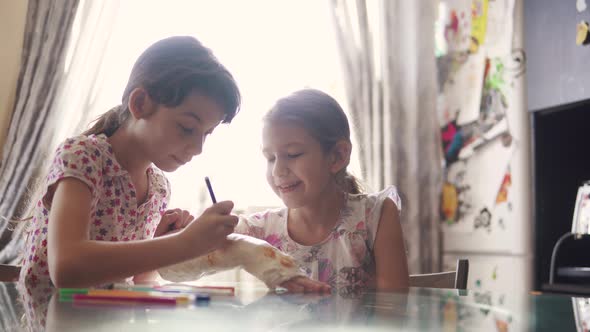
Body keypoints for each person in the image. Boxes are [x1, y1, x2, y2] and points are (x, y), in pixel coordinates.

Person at [18, 36, 326, 297]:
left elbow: (141, 284)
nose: (197, 148)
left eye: (206, 134)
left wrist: (159, 244)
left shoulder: (158, 187)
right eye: (187, 128)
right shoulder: (83, 156)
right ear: (140, 104)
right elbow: (67, 268)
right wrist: (182, 244)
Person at [236, 89, 409, 296]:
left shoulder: (376, 215)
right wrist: (191, 226)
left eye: (293, 154)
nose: (277, 171)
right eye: (270, 158)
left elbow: (393, 311)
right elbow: (206, 246)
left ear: (337, 156)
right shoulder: (260, 230)